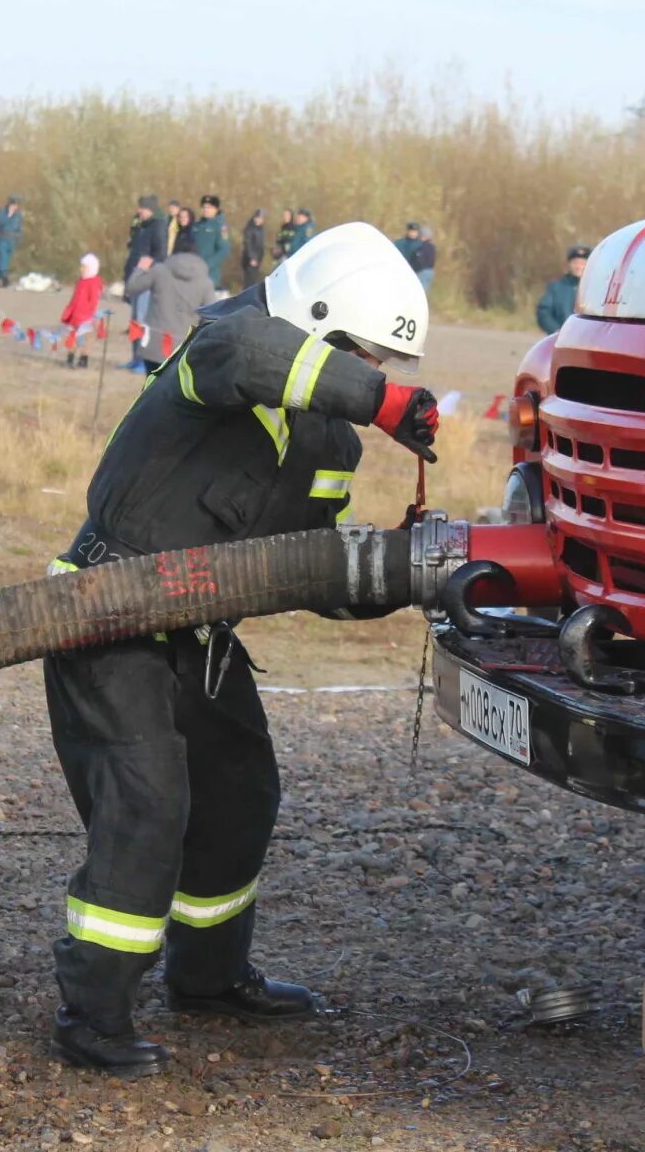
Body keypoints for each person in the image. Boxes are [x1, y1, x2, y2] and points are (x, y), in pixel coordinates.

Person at [41, 223, 438, 1078]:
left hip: (202, 636)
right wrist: (381, 399)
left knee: (241, 793)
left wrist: (400, 569)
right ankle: (94, 1012)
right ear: (319, 322)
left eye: (383, 366)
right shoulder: (223, 348)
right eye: (363, 357)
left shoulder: (331, 442)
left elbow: (308, 570)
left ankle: (210, 978)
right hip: (106, 620)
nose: (373, 376)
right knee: (148, 808)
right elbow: (259, 351)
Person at [123, 249, 212, 372]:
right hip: (184, 347)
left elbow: (132, 288)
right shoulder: (206, 283)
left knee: (151, 386)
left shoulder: (159, 271)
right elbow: (210, 317)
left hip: (154, 343)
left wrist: (140, 269)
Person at [122, 195, 167, 371]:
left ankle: (143, 359)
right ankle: (134, 358)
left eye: (142, 208)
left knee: (142, 320)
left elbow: (161, 254)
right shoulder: (141, 226)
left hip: (147, 281)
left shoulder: (158, 226)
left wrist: (150, 263)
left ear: (150, 209)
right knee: (134, 320)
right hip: (135, 277)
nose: (139, 211)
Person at [59, 253, 104, 369]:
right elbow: (74, 298)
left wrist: (89, 316)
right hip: (75, 315)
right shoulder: (80, 281)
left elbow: (93, 301)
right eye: (81, 266)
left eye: (84, 267)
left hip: (85, 316)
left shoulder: (94, 282)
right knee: (72, 337)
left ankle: (83, 359)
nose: (82, 269)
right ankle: (70, 358)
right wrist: (68, 311)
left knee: (87, 338)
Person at [537, 244, 591, 335]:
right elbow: (544, 312)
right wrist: (555, 329)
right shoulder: (556, 287)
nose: (579, 267)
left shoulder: (597, 289)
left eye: (583, 263)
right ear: (569, 264)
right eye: (575, 263)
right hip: (560, 339)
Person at [189, 195, 230, 292]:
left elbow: (224, 250)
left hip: (210, 275)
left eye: (209, 207)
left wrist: (207, 265)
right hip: (193, 271)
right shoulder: (197, 225)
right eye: (204, 207)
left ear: (216, 209)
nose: (206, 210)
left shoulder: (220, 226)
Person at [0, 195, 24, 288]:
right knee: (3, 258)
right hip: (2, 239)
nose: (15, 207)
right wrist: (8, 215)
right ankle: (4, 279)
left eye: (16, 205)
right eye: (13, 204)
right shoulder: (1, 212)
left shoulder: (18, 215)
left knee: (6, 260)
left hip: (12, 240)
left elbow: (19, 228)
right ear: (9, 204)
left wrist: (19, 238)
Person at [240, 208, 266, 291]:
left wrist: (260, 257)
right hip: (250, 259)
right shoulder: (250, 228)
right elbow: (248, 244)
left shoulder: (261, 229)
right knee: (249, 282)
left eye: (261, 218)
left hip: (258, 258)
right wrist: (252, 258)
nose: (259, 220)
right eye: (258, 217)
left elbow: (260, 245)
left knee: (254, 281)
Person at [411, 226, 436, 292]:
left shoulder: (422, 247)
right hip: (430, 272)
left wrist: (413, 268)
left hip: (422, 272)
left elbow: (419, 261)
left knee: (418, 292)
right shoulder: (432, 247)